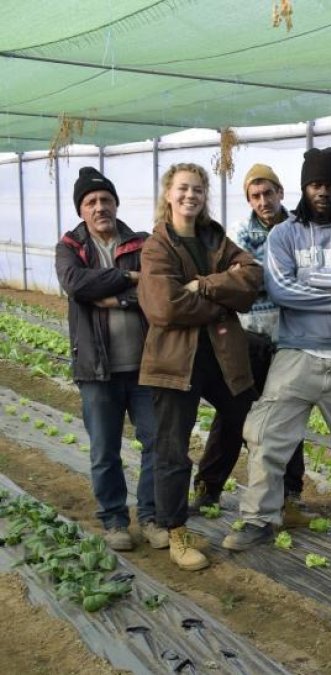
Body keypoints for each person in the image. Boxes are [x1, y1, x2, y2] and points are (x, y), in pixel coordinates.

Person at [223, 147, 331, 550]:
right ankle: (259, 518)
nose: (322, 192)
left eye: (330, 185)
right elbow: (281, 290)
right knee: (267, 437)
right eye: (315, 184)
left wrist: (309, 276)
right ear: (304, 188)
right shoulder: (284, 234)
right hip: (296, 355)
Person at [138, 163, 262, 571]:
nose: (191, 195)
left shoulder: (214, 238)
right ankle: (175, 530)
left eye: (198, 189)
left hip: (223, 357)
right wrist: (220, 302)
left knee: (250, 423)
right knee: (172, 447)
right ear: (168, 194)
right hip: (175, 361)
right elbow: (164, 306)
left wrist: (204, 284)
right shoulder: (157, 246)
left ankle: (232, 496)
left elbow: (251, 277)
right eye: (183, 189)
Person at [55, 167, 167, 552]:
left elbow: (157, 289)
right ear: (82, 210)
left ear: (116, 204)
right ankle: (115, 520)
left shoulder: (141, 243)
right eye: (91, 202)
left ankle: (151, 517)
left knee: (156, 442)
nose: (100, 207)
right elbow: (75, 284)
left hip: (144, 367)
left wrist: (115, 292)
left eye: (105, 200)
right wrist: (128, 281)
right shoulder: (70, 246)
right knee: (105, 449)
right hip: (96, 369)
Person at [202, 163, 308, 527]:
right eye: (255, 195)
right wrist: (279, 280)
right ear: (249, 199)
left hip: (291, 338)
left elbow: (301, 275)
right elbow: (243, 284)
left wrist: (264, 279)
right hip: (248, 337)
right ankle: (209, 486)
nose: (263, 201)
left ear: (280, 192)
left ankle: (290, 492)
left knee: (287, 415)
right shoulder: (237, 234)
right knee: (236, 413)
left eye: (269, 193)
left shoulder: (300, 228)